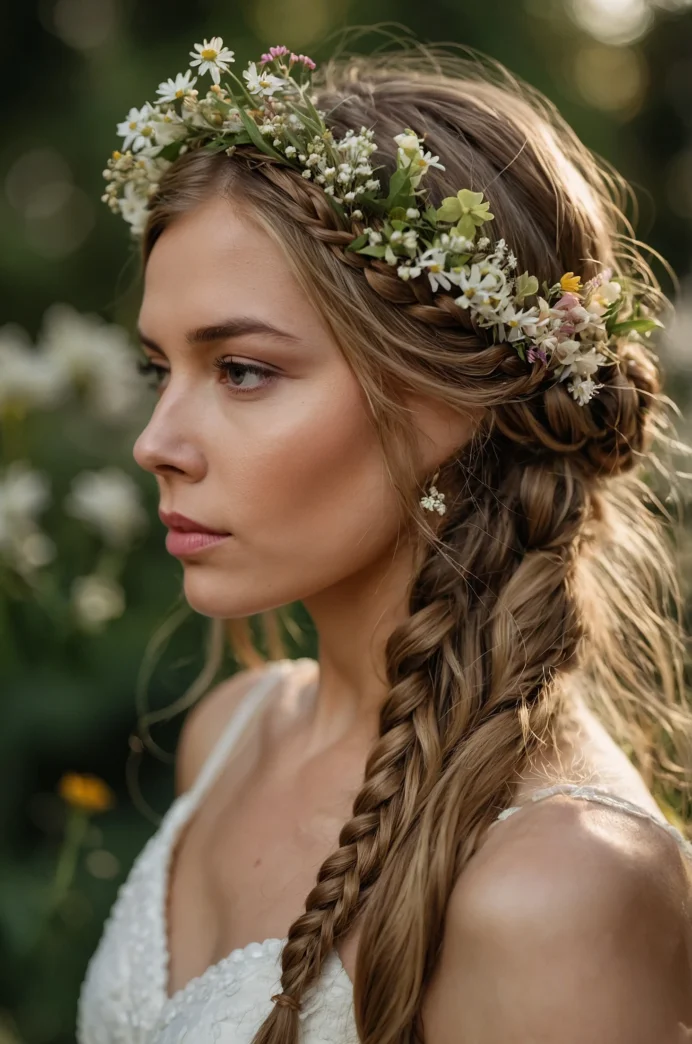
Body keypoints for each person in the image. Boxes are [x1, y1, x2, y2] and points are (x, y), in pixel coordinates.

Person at [78, 33, 692, 1044]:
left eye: (239, 370)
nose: (156, 444)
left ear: (449, 402)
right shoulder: (230, 732)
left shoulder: (562, 888)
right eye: (159, 370)